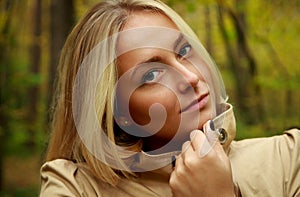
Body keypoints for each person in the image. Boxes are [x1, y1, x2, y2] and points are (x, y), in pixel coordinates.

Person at [40, 0, 300, 196]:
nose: (191, 77)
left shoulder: (289, 158)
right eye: (152, 74)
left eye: (184, 50)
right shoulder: (75, 187)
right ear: (118, 112)